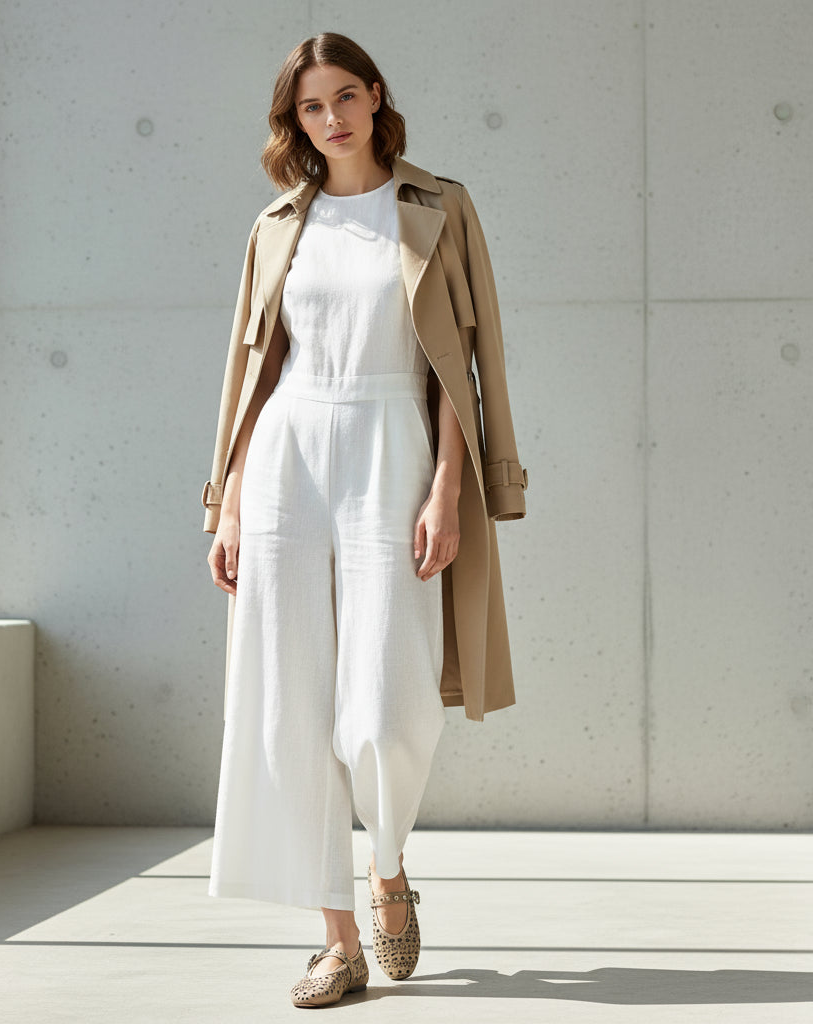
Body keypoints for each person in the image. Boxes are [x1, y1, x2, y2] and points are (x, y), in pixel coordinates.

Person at [201, 32, 528, 1009]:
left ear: (375, 96)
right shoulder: (274, 225)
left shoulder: (437, 206)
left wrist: (447, 489)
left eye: (345, 96)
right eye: (310, 106)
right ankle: (336, 940)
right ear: (292, 119)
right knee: (286, 702)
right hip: (288, 459)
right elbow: (250, 374)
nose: (331, 117)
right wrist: (227, 503)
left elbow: (468, 364)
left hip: (396, 449)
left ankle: (386, 868)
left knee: (386, 711)